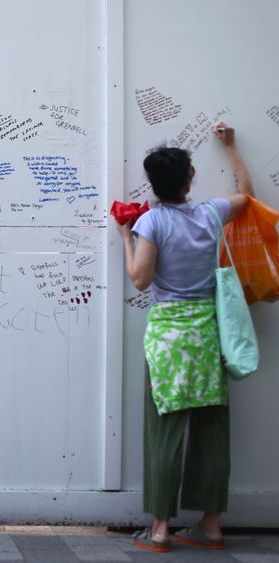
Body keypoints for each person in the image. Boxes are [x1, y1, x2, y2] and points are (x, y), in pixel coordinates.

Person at [115, 121, 255, 552]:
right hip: (207, 332)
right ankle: (211, 525)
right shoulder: (211, 212)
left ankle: (159, 529)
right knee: (212, 427)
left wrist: (125, 236)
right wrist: (231, 148)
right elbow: (246, 194)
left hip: (169, 338)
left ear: (154, 184)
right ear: (189, 179)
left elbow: (140, 280)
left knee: (165, 428)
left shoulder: (152, 222)